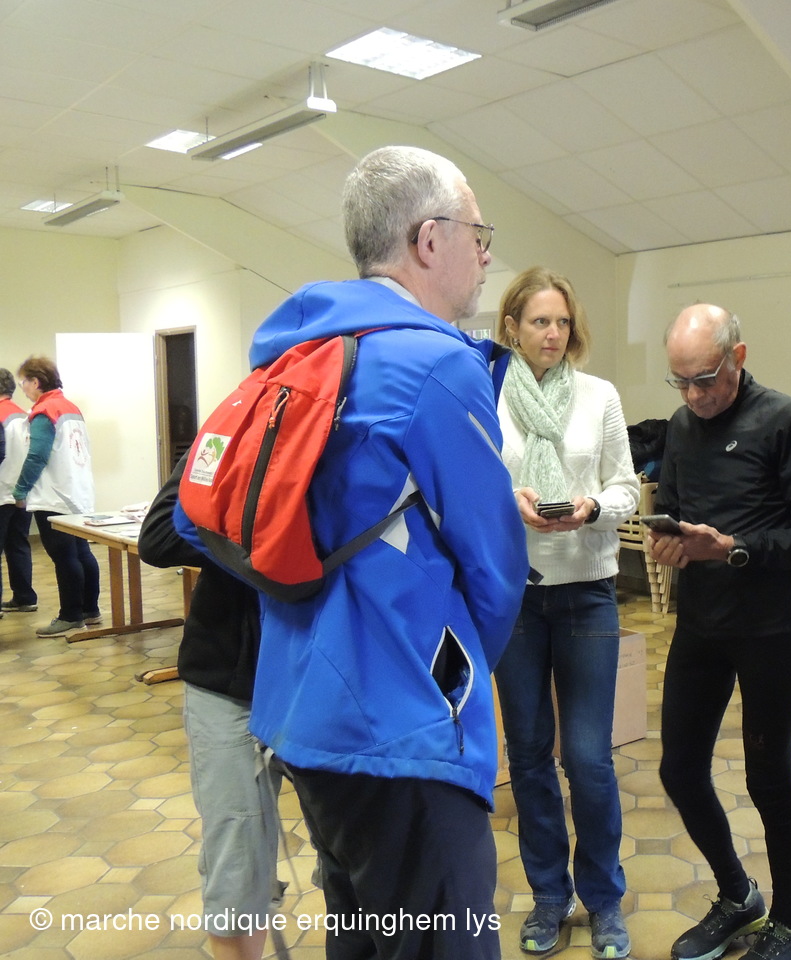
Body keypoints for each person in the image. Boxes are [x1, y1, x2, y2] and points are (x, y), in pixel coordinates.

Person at [179, 145, 529, 960]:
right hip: (405, 722)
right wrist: (458, 671)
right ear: (429, 239)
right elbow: (495, 567)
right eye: (478, 235)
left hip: (302, 712)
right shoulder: (436, 364)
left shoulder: (293, 352)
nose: (485, 256)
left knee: (363, 933)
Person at [649, 304, 791, 960]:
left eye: (705, 379)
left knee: (767, 778)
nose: (694, 396)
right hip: (701, 623)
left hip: (767, 630)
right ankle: (737, 895)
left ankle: (790, 924)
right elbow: (672, 508)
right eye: (681, 382)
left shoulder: (784, 419)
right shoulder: (679, 425)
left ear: (738, 356)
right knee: (679, 769)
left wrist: (734, 548)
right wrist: (670, 541)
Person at [492, 266, 639, 959]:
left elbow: (626, 487)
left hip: (587, 589)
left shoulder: (598, 395)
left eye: (561, 321)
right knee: (527, 755)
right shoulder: (488, 395)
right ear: (512, 327)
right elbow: (473, 486)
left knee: (588, 758)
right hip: (514, 593)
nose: (552, 334)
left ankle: (604, 899)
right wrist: (511, 500)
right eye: (538, 321)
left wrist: (591, 507)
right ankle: (550, 896)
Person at [139, 454, 281, 960]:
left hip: (334, 679)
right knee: (238, 860)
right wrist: (265, 536)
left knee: (357, 862)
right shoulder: (228, 431)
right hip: (229, 675)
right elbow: (159, 537)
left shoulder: (376, 425)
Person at [13, 356, 99, 638]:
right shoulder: (70, 407)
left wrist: (21, 490)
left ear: (36, 382)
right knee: (82, 552)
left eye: (24, 382)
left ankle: (71, 616)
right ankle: (90, 610)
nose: (23, 388)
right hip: (77, 491)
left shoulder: (44, 411)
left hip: (55, 495)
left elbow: (37, 456)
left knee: (64, 556)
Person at [0, 368, 38, 615]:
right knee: (18, 544)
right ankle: (25, 597)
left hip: (1, 491)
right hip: (22, 492)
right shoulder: (24, 415)